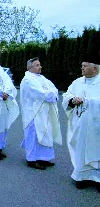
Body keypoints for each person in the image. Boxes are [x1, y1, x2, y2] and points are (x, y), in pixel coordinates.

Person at [62, 55, 100, 191]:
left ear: (94, 68)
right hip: (79, 124)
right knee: (80, 149)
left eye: (85, 66)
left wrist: (89, 101)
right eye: (82, 66)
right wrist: (72, 100)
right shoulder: (77, 82)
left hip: (96, 126)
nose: (82, 68)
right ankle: (81, 177)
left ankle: (98, 179)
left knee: (97, 150)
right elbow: (66, 95)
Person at [20, 58, 62, 170]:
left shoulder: (42, 78)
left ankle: (43, 157)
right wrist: (51, 95)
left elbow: (54, 89)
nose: (40, 67)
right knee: (34, 136)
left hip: (44, 112)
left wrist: (51, 94)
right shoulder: (27, 79)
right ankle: (32, 160)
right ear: (30, 67)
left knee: (45, 134)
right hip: (33, 113)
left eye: (40, 64)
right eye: (37, 65)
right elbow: (40, 94)